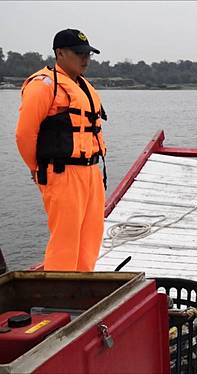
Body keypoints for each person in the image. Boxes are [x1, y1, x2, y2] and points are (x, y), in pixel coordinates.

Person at [15, 29, 107, 271]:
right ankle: (55, 300)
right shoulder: (44, 86)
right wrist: (35, 168)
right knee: (66, 239)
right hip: (61, 172)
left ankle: (81, 291)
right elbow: (24, 134)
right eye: (78, 54)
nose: (85, 59)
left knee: (91, 236)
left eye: (88, 54)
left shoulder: (83, 85)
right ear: (60, 53)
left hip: (91, 172)